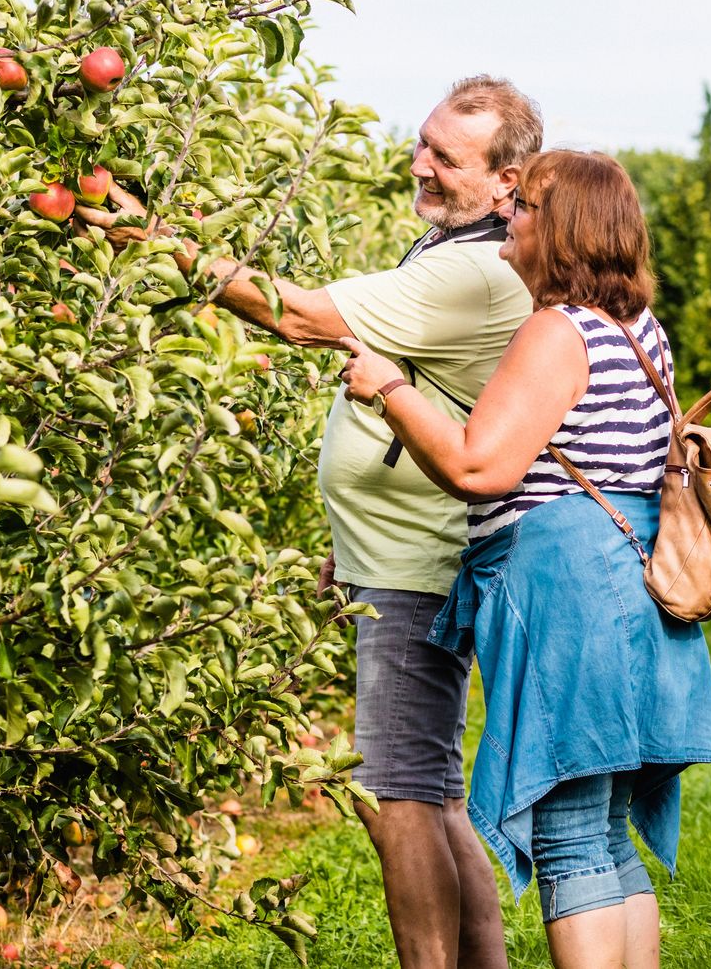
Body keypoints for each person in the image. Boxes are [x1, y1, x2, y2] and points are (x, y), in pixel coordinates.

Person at [76, 77, 542, 969]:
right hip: (401, 551)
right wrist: (349, 533)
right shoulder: (460, 246)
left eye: (447, 157)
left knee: (395, 795)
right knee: (433, 790)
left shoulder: (473, 271)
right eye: (423, 144)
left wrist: (148, 235)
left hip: (419, 563)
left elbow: (301, 316)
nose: (422, 166)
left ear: (508, 182)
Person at [337, 150, 711, 969]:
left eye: (529, 207)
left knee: (569, 837)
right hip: (632, 591)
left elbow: (482, 466)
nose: (511, 215)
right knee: (605, 832)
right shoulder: (639, 330)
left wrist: (389, 388)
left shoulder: (558, 330)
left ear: (566, 229)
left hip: (573, 599)